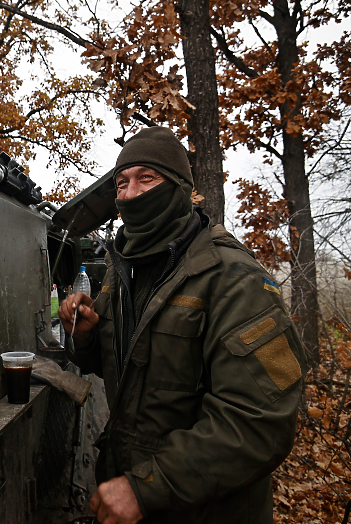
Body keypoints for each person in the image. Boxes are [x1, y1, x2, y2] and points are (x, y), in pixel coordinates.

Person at [60, 127, 306, 524]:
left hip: (205, 510)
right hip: (129, 495)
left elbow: (260, 421)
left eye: (147, 178)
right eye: (122, 182)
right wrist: (85, 336)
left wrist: (147, 487)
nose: (131, 193)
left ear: (179, 188)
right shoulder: (122, 270)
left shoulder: (233, 278)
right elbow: (121, 368)